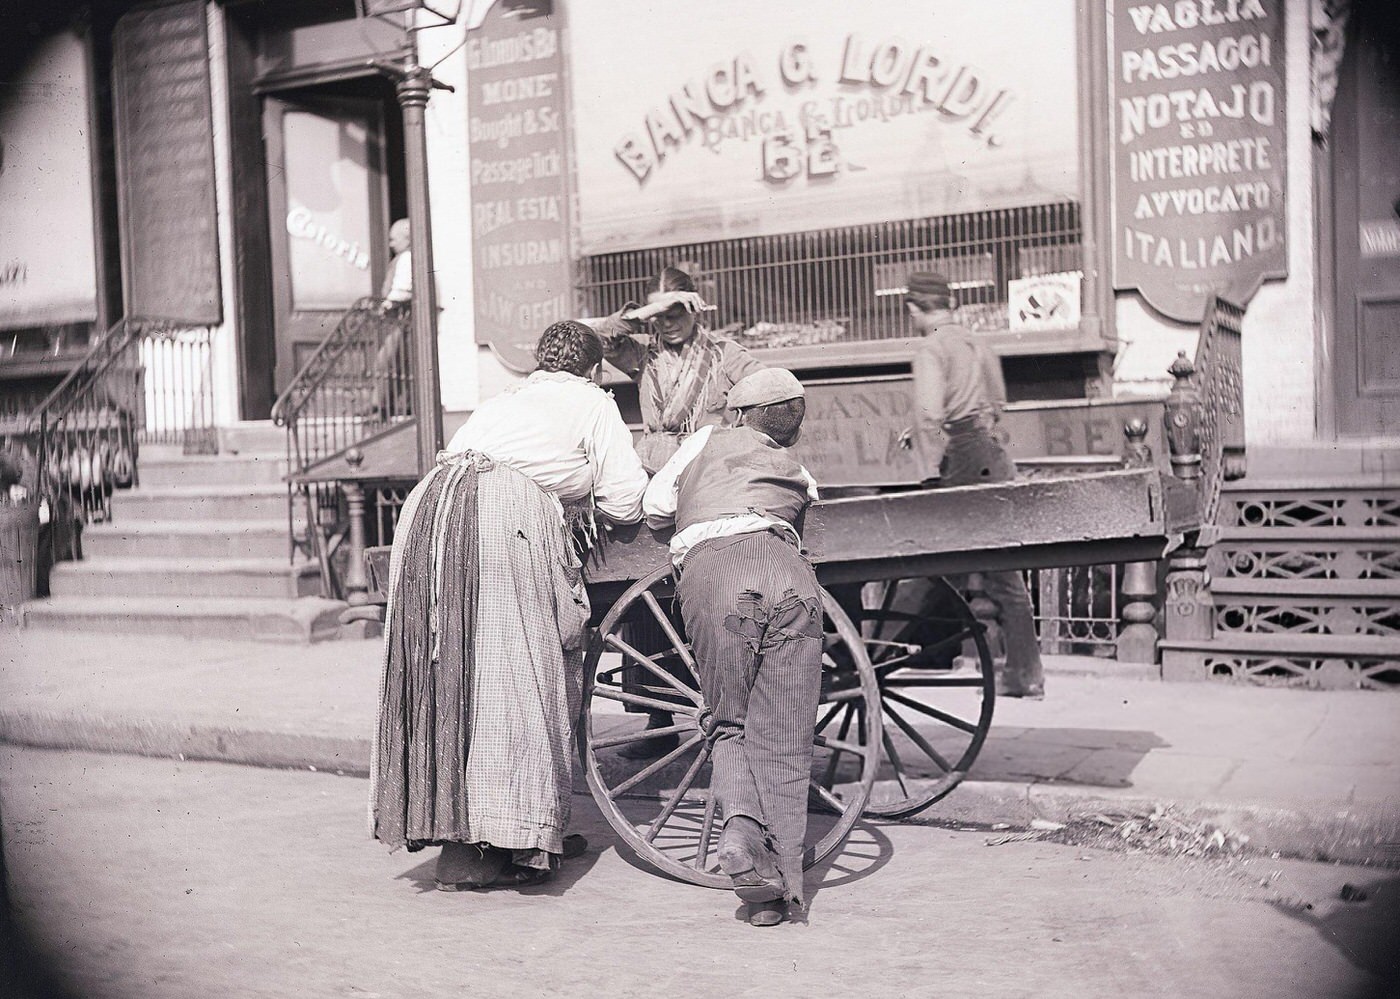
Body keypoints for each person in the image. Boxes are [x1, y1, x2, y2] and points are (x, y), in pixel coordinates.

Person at [370, 320, 649, 891]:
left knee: (444, 669)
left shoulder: (506, 399)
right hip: (499, 516)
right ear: (594, 370)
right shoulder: (591, 401)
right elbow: (625, 500)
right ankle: (512, 837)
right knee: (517, 670)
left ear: (538, 365)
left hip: (428, 512)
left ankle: (458, 833)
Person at [643, 367, 823, 928]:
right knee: (787, 732)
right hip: (791, 580)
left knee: (729, 721)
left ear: (740, 415)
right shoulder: (798, 469)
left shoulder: (704, 439)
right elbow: (805, 519)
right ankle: (779, 894)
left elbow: (653, 508)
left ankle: (742, 835)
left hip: (720, 576)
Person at [595, 265, 766, 758]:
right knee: (646, 589)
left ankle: (731, 702)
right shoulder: (643, 354)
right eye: (659, 315)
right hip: (652, 476)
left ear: (695, 309)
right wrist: (641, 313)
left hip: (706, 476)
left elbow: (768, 390)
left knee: (707, 585)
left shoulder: (725, 354)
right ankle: (656, 714)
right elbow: (599, 338)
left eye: (676, 312)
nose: (667, 323)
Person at [906, 271, 1045, 699]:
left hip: (962, 458)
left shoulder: (930, 347)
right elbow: (999, 404)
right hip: (993, 455)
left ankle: (903, 652)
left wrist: (929, 473)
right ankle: (1026, 675)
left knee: (924, 560)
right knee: (1005, 573)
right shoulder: (979, 342)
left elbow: (930, 413)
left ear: (914, 309)